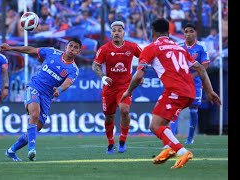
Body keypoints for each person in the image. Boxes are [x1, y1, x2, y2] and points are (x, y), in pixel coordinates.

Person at [120, 18, 221, 169]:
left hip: (175, 91)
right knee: (164, 123)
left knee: (154, 126)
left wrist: (128, 91)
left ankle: (182, 151)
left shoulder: (151, 48)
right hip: (190, 92)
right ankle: (169, 149)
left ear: (153, 32)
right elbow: (200, 68)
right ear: (169, 32)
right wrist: (210, 90)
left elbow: (139, 75)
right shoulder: (180, 48)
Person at [0, 38, 82, 161]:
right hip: (34, 87)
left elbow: (68, 83)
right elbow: (31, 50)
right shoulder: (52, 52)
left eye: (76, 48)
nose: (72, 49)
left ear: (78, 52)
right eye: (71, 46)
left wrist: (59, 90)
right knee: (34, 114)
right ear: (66, 47)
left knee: (36, 128)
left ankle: (11, 150)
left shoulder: (73, 69)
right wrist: (11, 48)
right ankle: (31, 150)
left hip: (47, 96)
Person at [92, 21, 142, 154]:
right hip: (109, 87)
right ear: (111, 33)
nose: (116, 32)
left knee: (125, 110)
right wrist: (103, 76)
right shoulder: (104, 49)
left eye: (119, 30)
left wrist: (140, 74)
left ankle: (122, 140)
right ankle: (110, 143)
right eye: (114, 30)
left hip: (125, 86)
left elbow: (144, 59)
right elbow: (95, 65)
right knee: (109, 117)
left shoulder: (132, 47)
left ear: (124, 33)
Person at [170, 23, 210, 144]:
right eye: (186, 31)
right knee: (176, 109)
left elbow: (205, 64)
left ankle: (190, 138)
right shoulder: (178, 46)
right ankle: (171, 139)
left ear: (196, 33)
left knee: (193, 110)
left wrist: (193, 75)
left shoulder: (201, 47)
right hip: (180, 83)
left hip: (195, 84)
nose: (188, 34)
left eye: (191, 31)